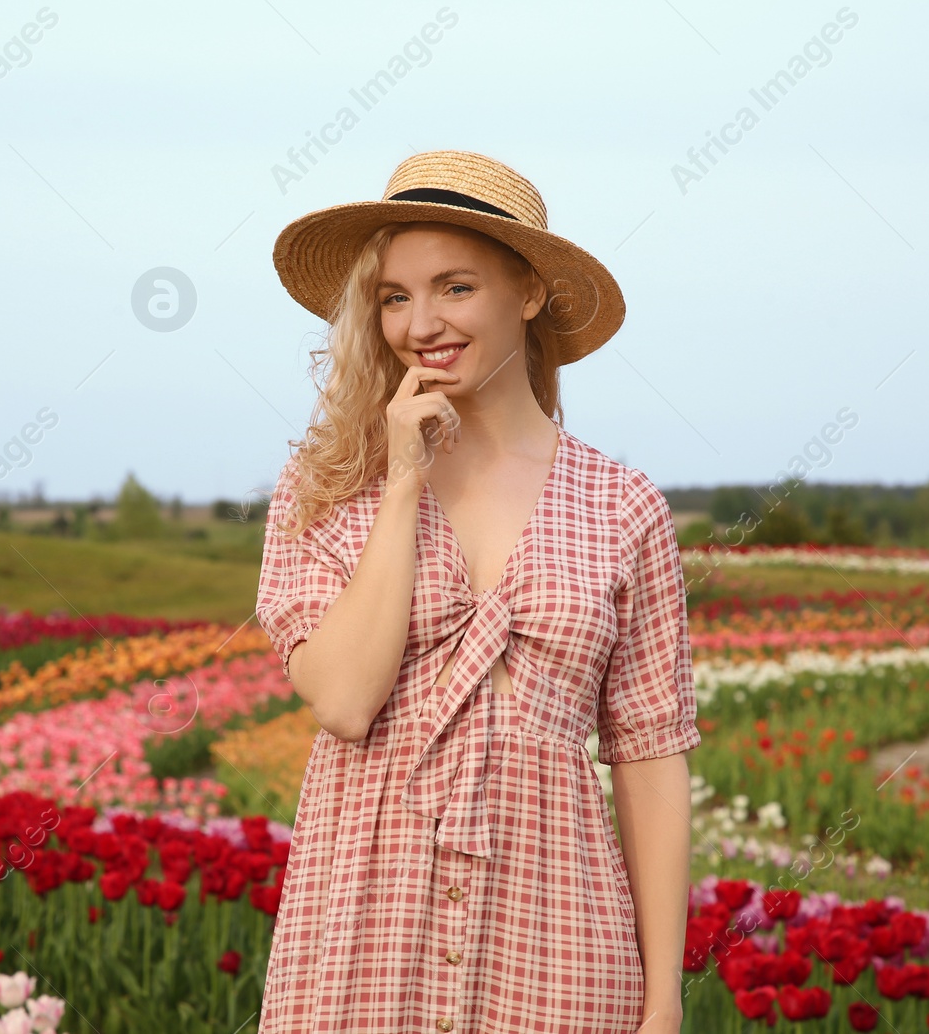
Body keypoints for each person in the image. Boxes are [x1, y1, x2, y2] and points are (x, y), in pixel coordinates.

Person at [255, 150, 699, 1033]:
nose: (420, 323)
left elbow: (650, 762)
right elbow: (343, 700)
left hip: (559, 930)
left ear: (528, 291)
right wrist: (403, 482)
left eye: (454, 287)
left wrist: (663, 1001)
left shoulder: (622, 506)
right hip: (361, 930)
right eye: (393, 295)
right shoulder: (327, 488)